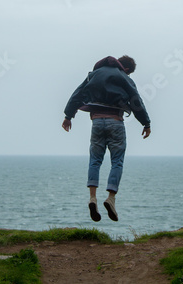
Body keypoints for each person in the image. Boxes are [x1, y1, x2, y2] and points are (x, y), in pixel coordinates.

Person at [62, 55, 151, 222]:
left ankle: (92, 198)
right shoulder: (124, 78)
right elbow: (136, 101)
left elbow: (77, 94)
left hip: (96, 123)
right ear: (126, 69)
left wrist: (68, 116)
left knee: (95, 160)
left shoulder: (93, 75)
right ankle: (110, 198)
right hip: (115, 122)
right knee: (117, 160)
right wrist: (146, 123)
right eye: (129, 72)